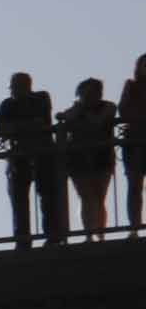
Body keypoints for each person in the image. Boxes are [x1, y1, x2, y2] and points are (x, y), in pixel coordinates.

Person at [0, 72, 61, 248]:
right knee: (19, 199)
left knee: (47, 196)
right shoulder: (7, 104)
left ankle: (52, 236)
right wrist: (27, 125)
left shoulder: (41, 97)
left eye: (16, 86)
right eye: (12, 86)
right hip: (19, 156)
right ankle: (23, 239)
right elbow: (1, 128)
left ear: (27, 85)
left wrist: (16, 128)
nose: (13, 90)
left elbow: (42, 122)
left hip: (42, 153)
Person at [58, 78, 118, 240]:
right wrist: (76, 111)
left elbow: (97, 122)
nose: (90, 96)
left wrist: (81, 111)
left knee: (99, 196)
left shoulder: (108, 107)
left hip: (101, 156)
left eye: (94, 92)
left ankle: (100, 234)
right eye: (86, 93)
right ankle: (89, 234)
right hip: (78, 158)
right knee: (86, 197)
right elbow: (63, 118)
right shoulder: (76, 110)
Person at [122, 55, 146, 235]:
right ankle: (134, 227)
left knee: (135, 186)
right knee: (134, 185)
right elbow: (124, 110)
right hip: (135, 140)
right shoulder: (131, 86)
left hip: (136, 138)